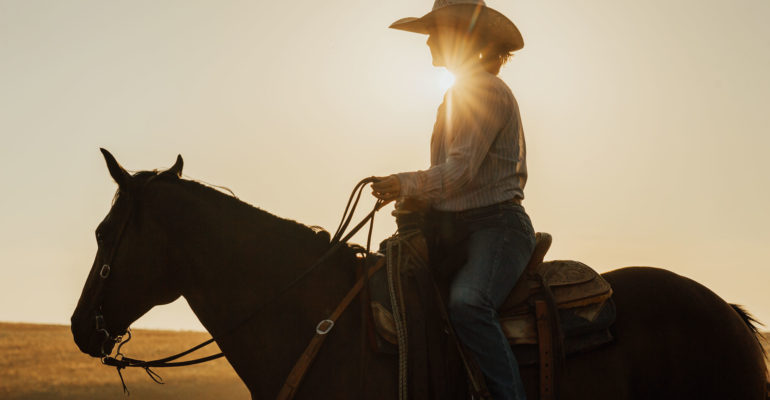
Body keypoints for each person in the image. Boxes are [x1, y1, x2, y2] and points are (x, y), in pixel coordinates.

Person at [371, 1, 535, 399]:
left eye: (434, 31)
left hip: (496, 226)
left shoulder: (482, 91)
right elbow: (451, 178)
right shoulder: (456, 95)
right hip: (457, 228)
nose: (427, 39)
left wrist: (404, 184)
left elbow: (460, 172)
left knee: (467, 305)